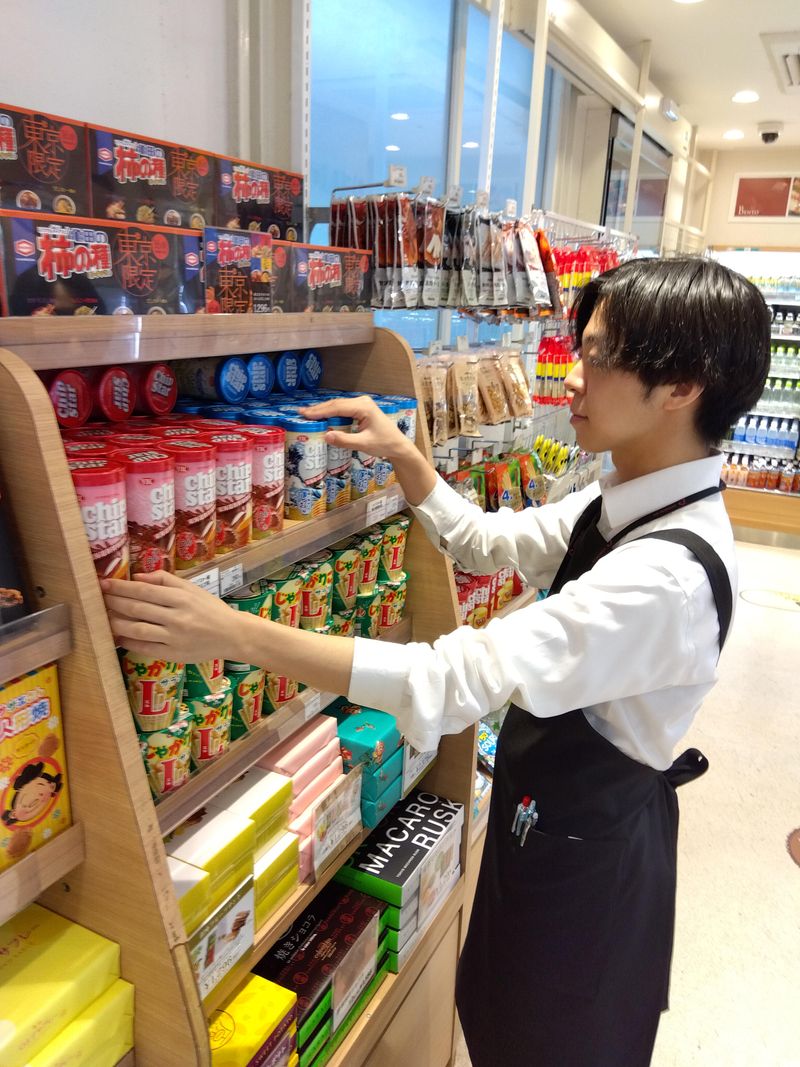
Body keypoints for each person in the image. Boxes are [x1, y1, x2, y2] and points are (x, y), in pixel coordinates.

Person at [103, 257, 770, 1067]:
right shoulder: (624, 501)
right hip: (546, 832)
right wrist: (404, 451)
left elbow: (449, 680)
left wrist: (234, 633)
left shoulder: (665, 577)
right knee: (496, 1012)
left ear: (682, 388)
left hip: (589, 877)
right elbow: (488, 542)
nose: (572, 376)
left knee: (547, 1038)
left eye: (597, 357)